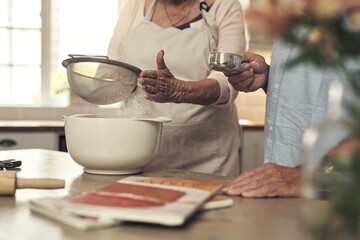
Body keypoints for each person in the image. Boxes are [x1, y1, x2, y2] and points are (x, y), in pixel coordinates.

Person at [105, 0, 246, 177]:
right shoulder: (135, 6)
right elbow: (115, 66)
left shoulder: (225, 6)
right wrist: (108, 79)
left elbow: (228, 79)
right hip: (136, 150)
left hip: (206, 156)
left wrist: (179, 90)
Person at [222, 27, 349, 197]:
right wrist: (270, 79)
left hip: (338, 198)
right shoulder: (292, 20)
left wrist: (307, 174)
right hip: (281, 190)